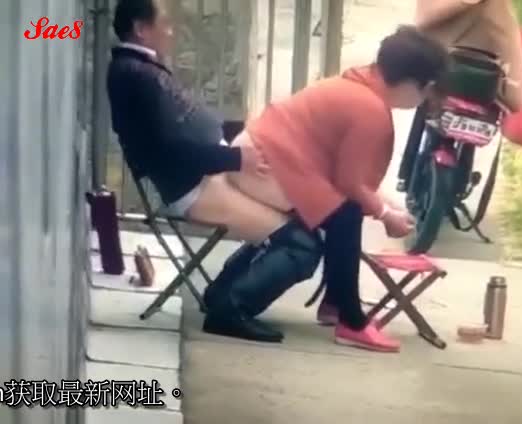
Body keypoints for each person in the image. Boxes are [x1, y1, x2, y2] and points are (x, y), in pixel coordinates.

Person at [213, 25, 449, 352]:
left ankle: (336, 304)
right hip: (264, 162)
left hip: (264, 155)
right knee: (342, 218)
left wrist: (387, 207)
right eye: (427, 91)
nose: (424, 99)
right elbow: (350, 184)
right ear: (413, 83)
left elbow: (347, 180)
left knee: (339, 215)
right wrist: (385, 214)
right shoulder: (369, 109)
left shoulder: (358, 85)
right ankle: (350, 319)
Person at [107, 0, 323, 344]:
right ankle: (230, 310)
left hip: (202, 175)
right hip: (190, 186)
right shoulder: (138, 76)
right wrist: (236, 159)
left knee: (295, 226)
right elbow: (171, 150)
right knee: (301, 244)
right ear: (141, 29)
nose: (172, 32)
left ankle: (222, 294)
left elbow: (186, 129)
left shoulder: (139, 69)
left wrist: (244, 139)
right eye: (165, 24)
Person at [396, 0, 522, 191]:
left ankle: (406, 173)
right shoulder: (501, 11)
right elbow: (517, 98)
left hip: (443, 66)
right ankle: (413, 173)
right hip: (476, 72)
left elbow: (422, 21)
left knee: (427, 93)